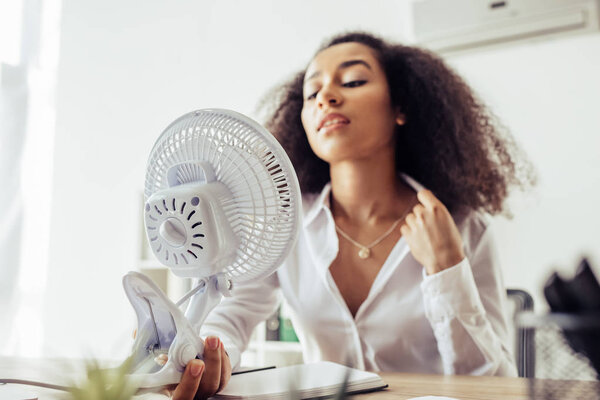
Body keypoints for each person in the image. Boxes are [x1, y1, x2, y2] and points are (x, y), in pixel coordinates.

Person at [170, 31, 535, 399]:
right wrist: (201, 354)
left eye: (352, 81)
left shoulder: (462, 227)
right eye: (312, 94)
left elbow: (496, 383)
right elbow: (231, 315)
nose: (326, 97)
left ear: (400, 107)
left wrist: (447, 268)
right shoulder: (284, 224)